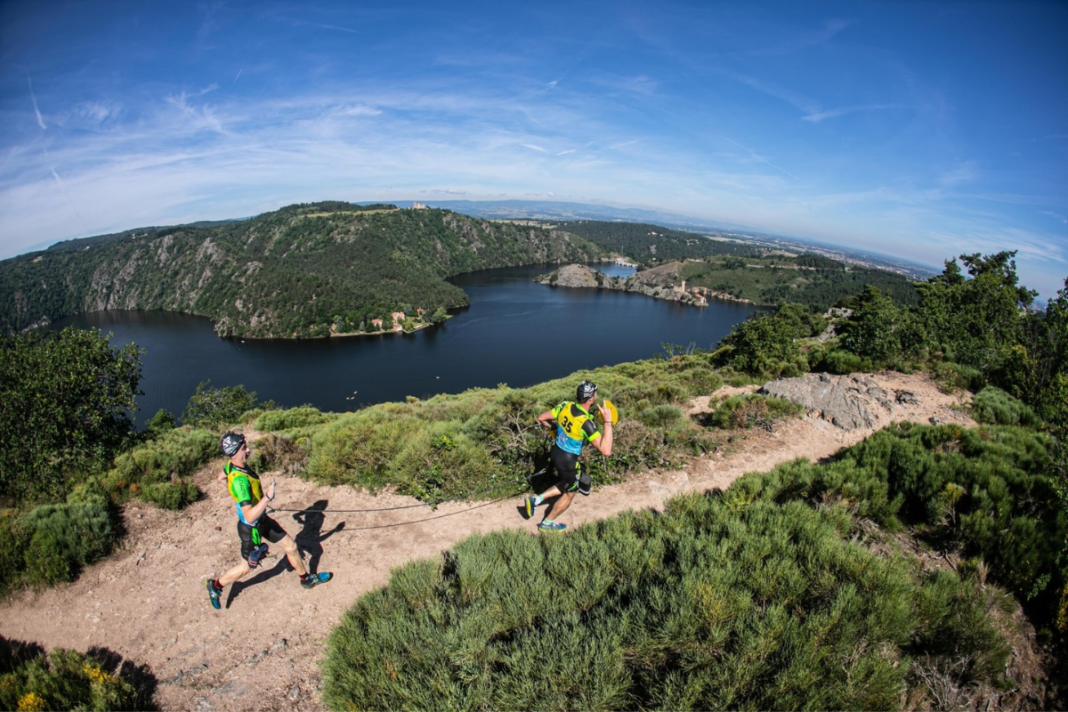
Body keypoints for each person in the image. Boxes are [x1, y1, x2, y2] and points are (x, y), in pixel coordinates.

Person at [206, 431, 332, 610]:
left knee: (292, 546)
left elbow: (221, 477)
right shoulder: (239, 481)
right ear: (234, 453)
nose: (248, 450)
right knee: (246, 568)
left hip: (262, 519)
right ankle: (216, 585)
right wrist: (266, 498)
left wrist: (247, 500)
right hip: (252, 529)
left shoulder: (232, 467)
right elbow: (249, 516)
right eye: (244, 448)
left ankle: (306, 580)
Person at [523, 380, 613, 532]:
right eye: (595, 392)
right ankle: (547, 523)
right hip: (567, 461)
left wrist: (556, 432)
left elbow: (542, 418)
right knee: (570, 492)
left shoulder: (565, 405)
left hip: (556, 452)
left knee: (566, 482)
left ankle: (535, 500)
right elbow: (606, 450)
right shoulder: (585, 423)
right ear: (591, 399)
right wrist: (607, 422)